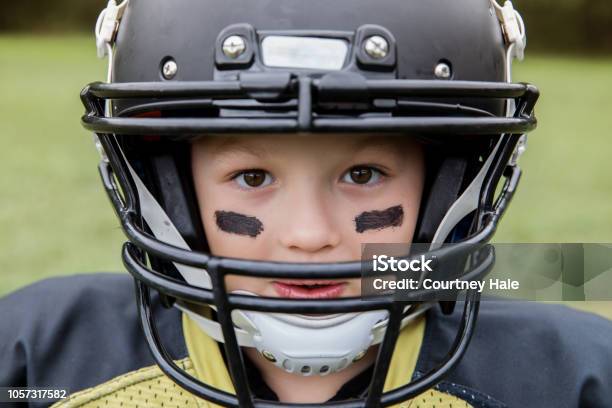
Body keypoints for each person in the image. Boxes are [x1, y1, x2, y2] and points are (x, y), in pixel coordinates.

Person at [2, 0, 612, 407]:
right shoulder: (40, 361)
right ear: (166, 185)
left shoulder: (571, 376)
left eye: (364, 172)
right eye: (251, 176)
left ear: (453, 183)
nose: (309, 234)